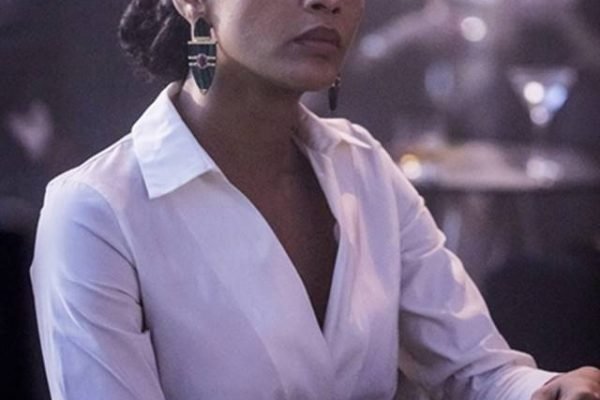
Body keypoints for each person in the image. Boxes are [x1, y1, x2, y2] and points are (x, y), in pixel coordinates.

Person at [30, 0, 600, 399]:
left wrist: (549, 389)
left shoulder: (366, 168)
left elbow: (478, 371)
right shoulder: (97, 212)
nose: (327, 3)